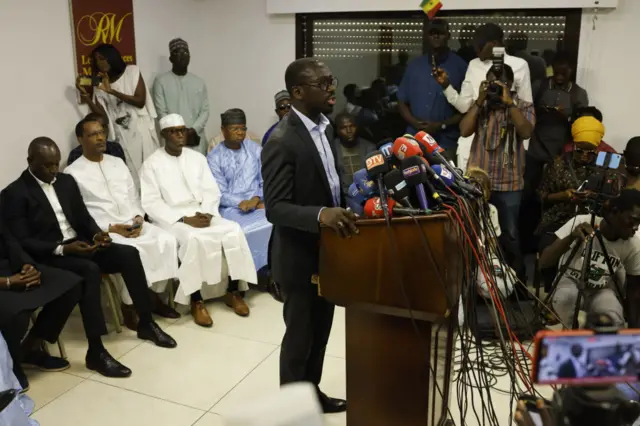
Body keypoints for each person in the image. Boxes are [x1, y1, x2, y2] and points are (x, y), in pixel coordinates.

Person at [1, 138, 176, 379]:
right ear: (30, 161)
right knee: (89, 271)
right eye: (47, 166)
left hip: (80, 245)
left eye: (56, 164)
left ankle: (146, 322)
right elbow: (23, 241)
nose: (53, 170)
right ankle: (96, 351)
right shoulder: (14, 193)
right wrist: (64, 249)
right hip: (51, 254)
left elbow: (82, 218)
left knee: (128, 254)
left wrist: (97, 235)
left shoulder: (65, 181)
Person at [261, 57, 358, 413]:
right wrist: (322, 215)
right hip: (299, 256)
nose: (331, 87)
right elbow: (276, 208)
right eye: (323, 83)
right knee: (300, 338)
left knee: (321, 332)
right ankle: (290, 410)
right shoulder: (281, 141)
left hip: (327, 252)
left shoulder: (325, 127)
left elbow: (329, 184)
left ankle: (311, 394)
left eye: (331, 80)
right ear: (298, 92)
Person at [65, 116, 181, 330]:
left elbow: (133, 196)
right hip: (105, 230)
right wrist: (112, 228)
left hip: (133, 223)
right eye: (93, 134)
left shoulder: (117, 163)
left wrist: (138, 217)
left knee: (167, 240)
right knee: (132, 251)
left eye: (102, 132)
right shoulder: (72, 173)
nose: (100, 138)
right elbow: (80, 215)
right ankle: (130, 305)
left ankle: (153, 297)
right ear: (80, 139)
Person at [140, 114, 257, 326]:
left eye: (182, 130)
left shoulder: (197, 159)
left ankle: (233, 292)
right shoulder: (151, 164)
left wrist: (209, 213)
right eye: (174, 131)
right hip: (173, 219)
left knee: (233, 230)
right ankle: (196, 300)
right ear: (164, 134)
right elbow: (151, 203)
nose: (179, 135)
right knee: (193, 239)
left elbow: (212, 191)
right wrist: (184, 218)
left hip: (203, 212)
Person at [460, 64, 534, 279]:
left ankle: (513, 283)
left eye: (499, 84)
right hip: (479, 183)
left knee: (509, 235)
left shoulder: (523, 106)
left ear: (510, 85)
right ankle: (477, 282)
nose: (495, 88)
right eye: (491, 82)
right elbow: (464, 130)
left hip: (509, 183)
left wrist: (509, 104)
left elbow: (526, 131)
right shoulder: (481, 106)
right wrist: (480, 100)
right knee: (476, 233)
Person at [0, 219, 82, 391]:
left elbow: (9, 240)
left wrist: (27, 266)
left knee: (70, 285)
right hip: (3, 281)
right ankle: (10, 364)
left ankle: (31, 346)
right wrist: (6, 282)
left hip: (10, 268)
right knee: (16, 313)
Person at [520, 53, 590, 254]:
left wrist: (565, 117)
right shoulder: (538, 86)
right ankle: (528, 247)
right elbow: (526, 111)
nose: (560, 72)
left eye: (565, 68)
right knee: (529, 199)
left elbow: (582, 123)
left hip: (562, 157)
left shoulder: (578, 93)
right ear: (551, 67)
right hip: (535, 151)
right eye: (557, 67)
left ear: (571, 70)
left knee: (559, 202)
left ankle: (551, 248)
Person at [539, 189, 640, 329]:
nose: (636, 227)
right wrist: (571, 237)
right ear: (614, 212)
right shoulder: (582, 221)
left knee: (614, 316)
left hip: (601, 290)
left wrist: (634, 335)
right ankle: (568, 336)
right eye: (632, 220)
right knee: (566, 298)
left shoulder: (634, 243)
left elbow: (634, 291)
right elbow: (544, 262)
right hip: (570, 283)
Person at [443, 23, 533, 169]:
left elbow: (526, 108)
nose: (475, 50)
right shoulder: (473, 65)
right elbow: (464, 106)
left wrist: (523, 148)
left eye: (479, 46)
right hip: (472, 144)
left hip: (506, 147)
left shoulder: (519, 66)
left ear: (495, 44)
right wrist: (446, 86)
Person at [74, 44, 160, 190]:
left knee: (149, 174)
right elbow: (102, 118)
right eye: (96, 60)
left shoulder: (132, 71)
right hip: (121, 135)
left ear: (111, 57)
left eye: (102, 58)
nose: (100, 63)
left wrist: (112, 91)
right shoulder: (100, 83)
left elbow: (140, 101)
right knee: (132, 176)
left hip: (139, 130)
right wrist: (85, 94)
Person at [535, 116, 604, 291]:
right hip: (558, 219)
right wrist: (564, 196)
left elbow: (610, 198)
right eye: (580, 150)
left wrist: (595, 196)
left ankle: (590, 293)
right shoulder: (557, 164)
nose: (585, 156)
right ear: (573, 145)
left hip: (590, 220)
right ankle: (552, 293)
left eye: (591, 152)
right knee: (551, 246)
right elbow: (541, 196)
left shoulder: (603, 168)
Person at [207, 108, 273, 272]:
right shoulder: (214, 157)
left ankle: (274, 270)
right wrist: (242, 202)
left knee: (277, 221)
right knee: (243, 231)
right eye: (234, 129)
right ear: (223, 130)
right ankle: (253, 274)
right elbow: (218, 192)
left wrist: (257, 199)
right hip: (231, 209)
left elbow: (266, 178)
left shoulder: (255, 149)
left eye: (243, 128)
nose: (240, 133)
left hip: (259, 202)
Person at [398, 19, 467, 163]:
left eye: (440, 33)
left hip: (446, 143)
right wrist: (415, 123)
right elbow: (401, 101)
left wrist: (441, 125)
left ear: (448, 36)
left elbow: (466, 109)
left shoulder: (461, 66)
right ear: (426, 37)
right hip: (414, 140)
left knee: (448, 184)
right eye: (432, 33)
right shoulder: (414, 66)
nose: (436, 36)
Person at [153, 38, 210, 155]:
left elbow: (205, 111)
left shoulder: (199, 82)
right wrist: (179, 132)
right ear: (171, 59)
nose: (183, 56)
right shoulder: (161, 81)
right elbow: (161, 113)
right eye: (178, 52)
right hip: (173, 139)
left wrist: (193, 129)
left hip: (196, 139)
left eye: (186, 52)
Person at [332, 112, 376, 193]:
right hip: (343, 195)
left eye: (352, 126)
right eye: (343, 128)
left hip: (368, 191)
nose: (349, 131)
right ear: (337, 130)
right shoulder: (331, 149)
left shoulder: (369, 147)